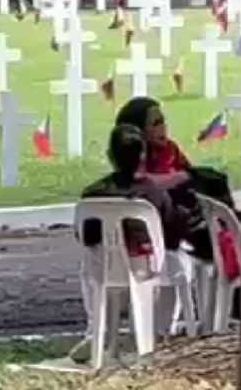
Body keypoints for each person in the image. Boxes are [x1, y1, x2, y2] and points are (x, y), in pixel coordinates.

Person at [73, 124, 187, 362]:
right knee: (176, 261)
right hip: (147, 269)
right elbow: (172, 235)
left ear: (110, 155)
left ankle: (97, 330)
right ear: (143, 156)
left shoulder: (92, 194)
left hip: (104, 269)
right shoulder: (154, 194)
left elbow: (85, 236)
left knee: (89, 259)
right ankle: (158, 331)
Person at [112, 96, 233, 258]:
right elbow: (136, 181)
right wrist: (178, 178)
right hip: (157, 231)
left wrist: (184, 177)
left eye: (163, 122)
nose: (163, 128)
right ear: (138, 131)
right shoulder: (130, 157)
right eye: (156, 124)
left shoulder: (170, 150)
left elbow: (189, 177)